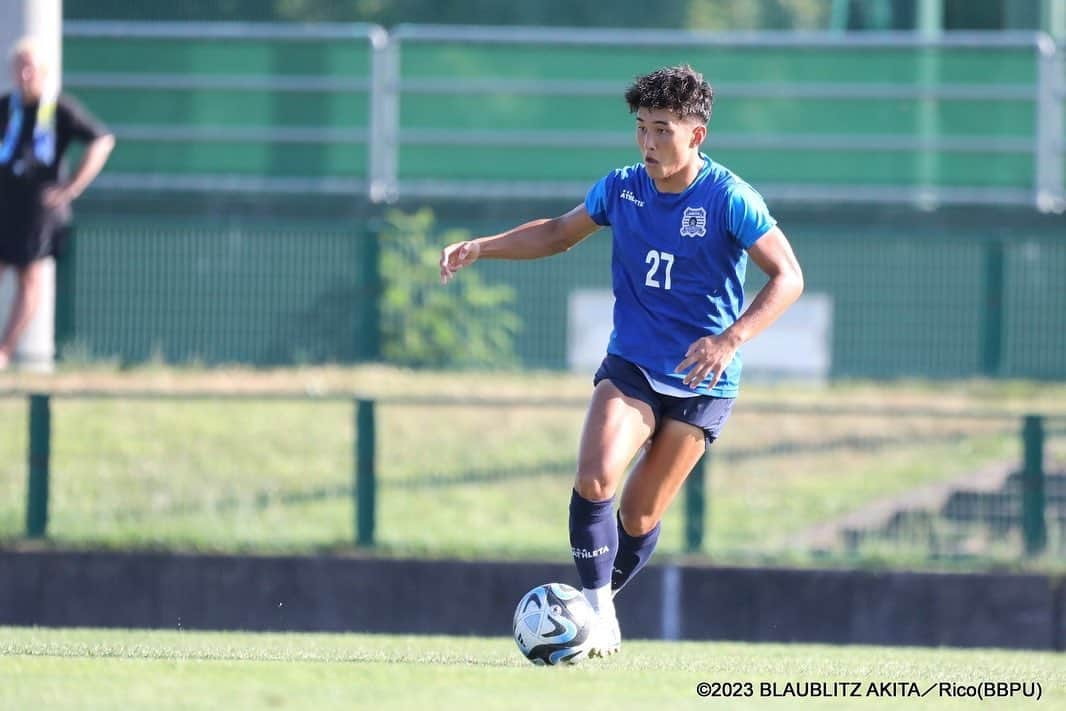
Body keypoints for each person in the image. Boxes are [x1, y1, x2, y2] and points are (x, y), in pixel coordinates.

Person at [439, 65, 803, 657]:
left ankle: (594, 610)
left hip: (701, 382)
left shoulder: (729, 198)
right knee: (594, 477)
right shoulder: (623, 188)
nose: (649, 143)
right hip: (632, 363)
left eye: (663, 129)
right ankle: (599, 615)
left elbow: (788, 277)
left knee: (637, 516)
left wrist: (729, 340)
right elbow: (558, 232)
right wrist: (483, 246)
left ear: (697, 136)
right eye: (641, 128)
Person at [0, 36, 115, 370]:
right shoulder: (7, 107)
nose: (24, 75)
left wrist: (72, 186)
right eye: (19, 67)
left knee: (28, 275)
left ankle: (5, 351)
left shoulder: (59, 109)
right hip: (4, 198)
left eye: (30, 68)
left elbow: (101, 140)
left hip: (36, 206)